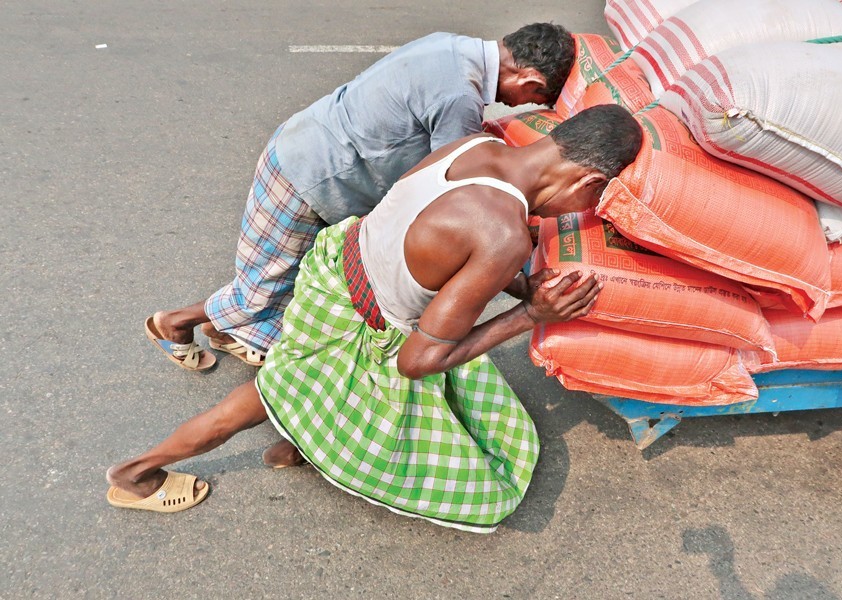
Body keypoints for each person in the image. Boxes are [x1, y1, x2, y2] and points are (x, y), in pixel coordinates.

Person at [107, 104, 643, 532]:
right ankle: (134, 475)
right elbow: (417, 361)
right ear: (588, 182)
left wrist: (523, 283)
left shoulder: (475, 147)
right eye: (595, 200)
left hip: (334, 274)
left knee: (305, 385)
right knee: (254, 402)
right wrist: (529, 313)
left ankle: (299, 442)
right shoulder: (503, 235)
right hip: (361, 325)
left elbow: (441, 240)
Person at [144, 23, 577, 371]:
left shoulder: (452, 46)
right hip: (310, 176)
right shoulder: (459, 97)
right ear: (530, 79)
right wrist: (521, 282)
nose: (517, 107)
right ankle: (174, 323)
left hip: (309, 148)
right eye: (531, 99)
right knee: (262, 290)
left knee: (282, 276)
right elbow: (461, 191)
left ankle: (223, 331)